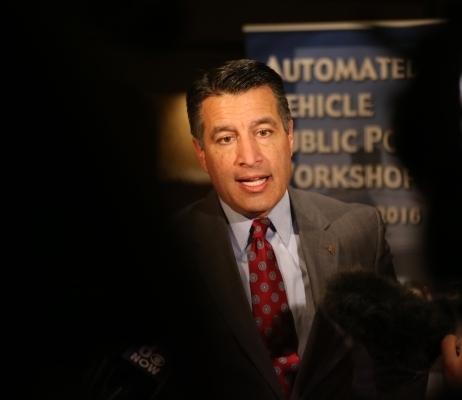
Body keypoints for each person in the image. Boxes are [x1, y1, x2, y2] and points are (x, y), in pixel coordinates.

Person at [169, 59, 428, 400]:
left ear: (289, 136)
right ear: (201, 153)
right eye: (227, 138)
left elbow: (401, 360)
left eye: (264, 132)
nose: (250, 156)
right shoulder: (169, 250)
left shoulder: (359, 231)